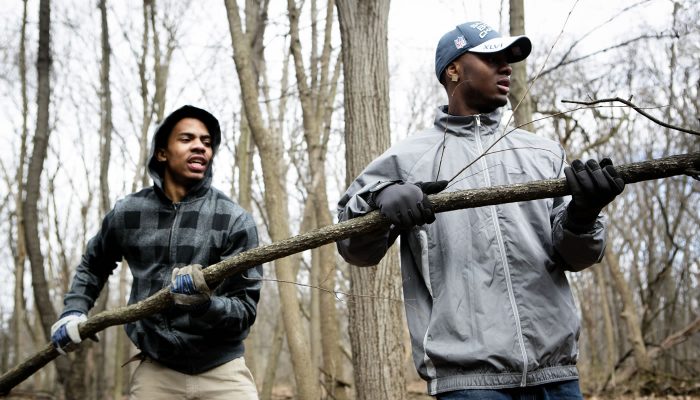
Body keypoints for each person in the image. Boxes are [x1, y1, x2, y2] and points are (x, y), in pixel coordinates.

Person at [336, 21, 625, 399]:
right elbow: (354, 249)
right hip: (467, 381)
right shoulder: (406, 159)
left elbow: (578, 256)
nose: (506, 67)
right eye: (492, 58)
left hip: (556, 376)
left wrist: (584, 215)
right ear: (453, 69)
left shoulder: (543, 153)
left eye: (509, 60)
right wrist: (379, 201)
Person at [50, 105, 262, 399]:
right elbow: (94, 264)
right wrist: (74, 310)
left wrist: (202, 304)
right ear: (162, 153)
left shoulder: (234, 220)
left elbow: (244, 311)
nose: (200, 146)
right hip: (156, 370)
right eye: (187, 139)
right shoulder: (129, 213)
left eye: (207, 142)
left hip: (223, 371)